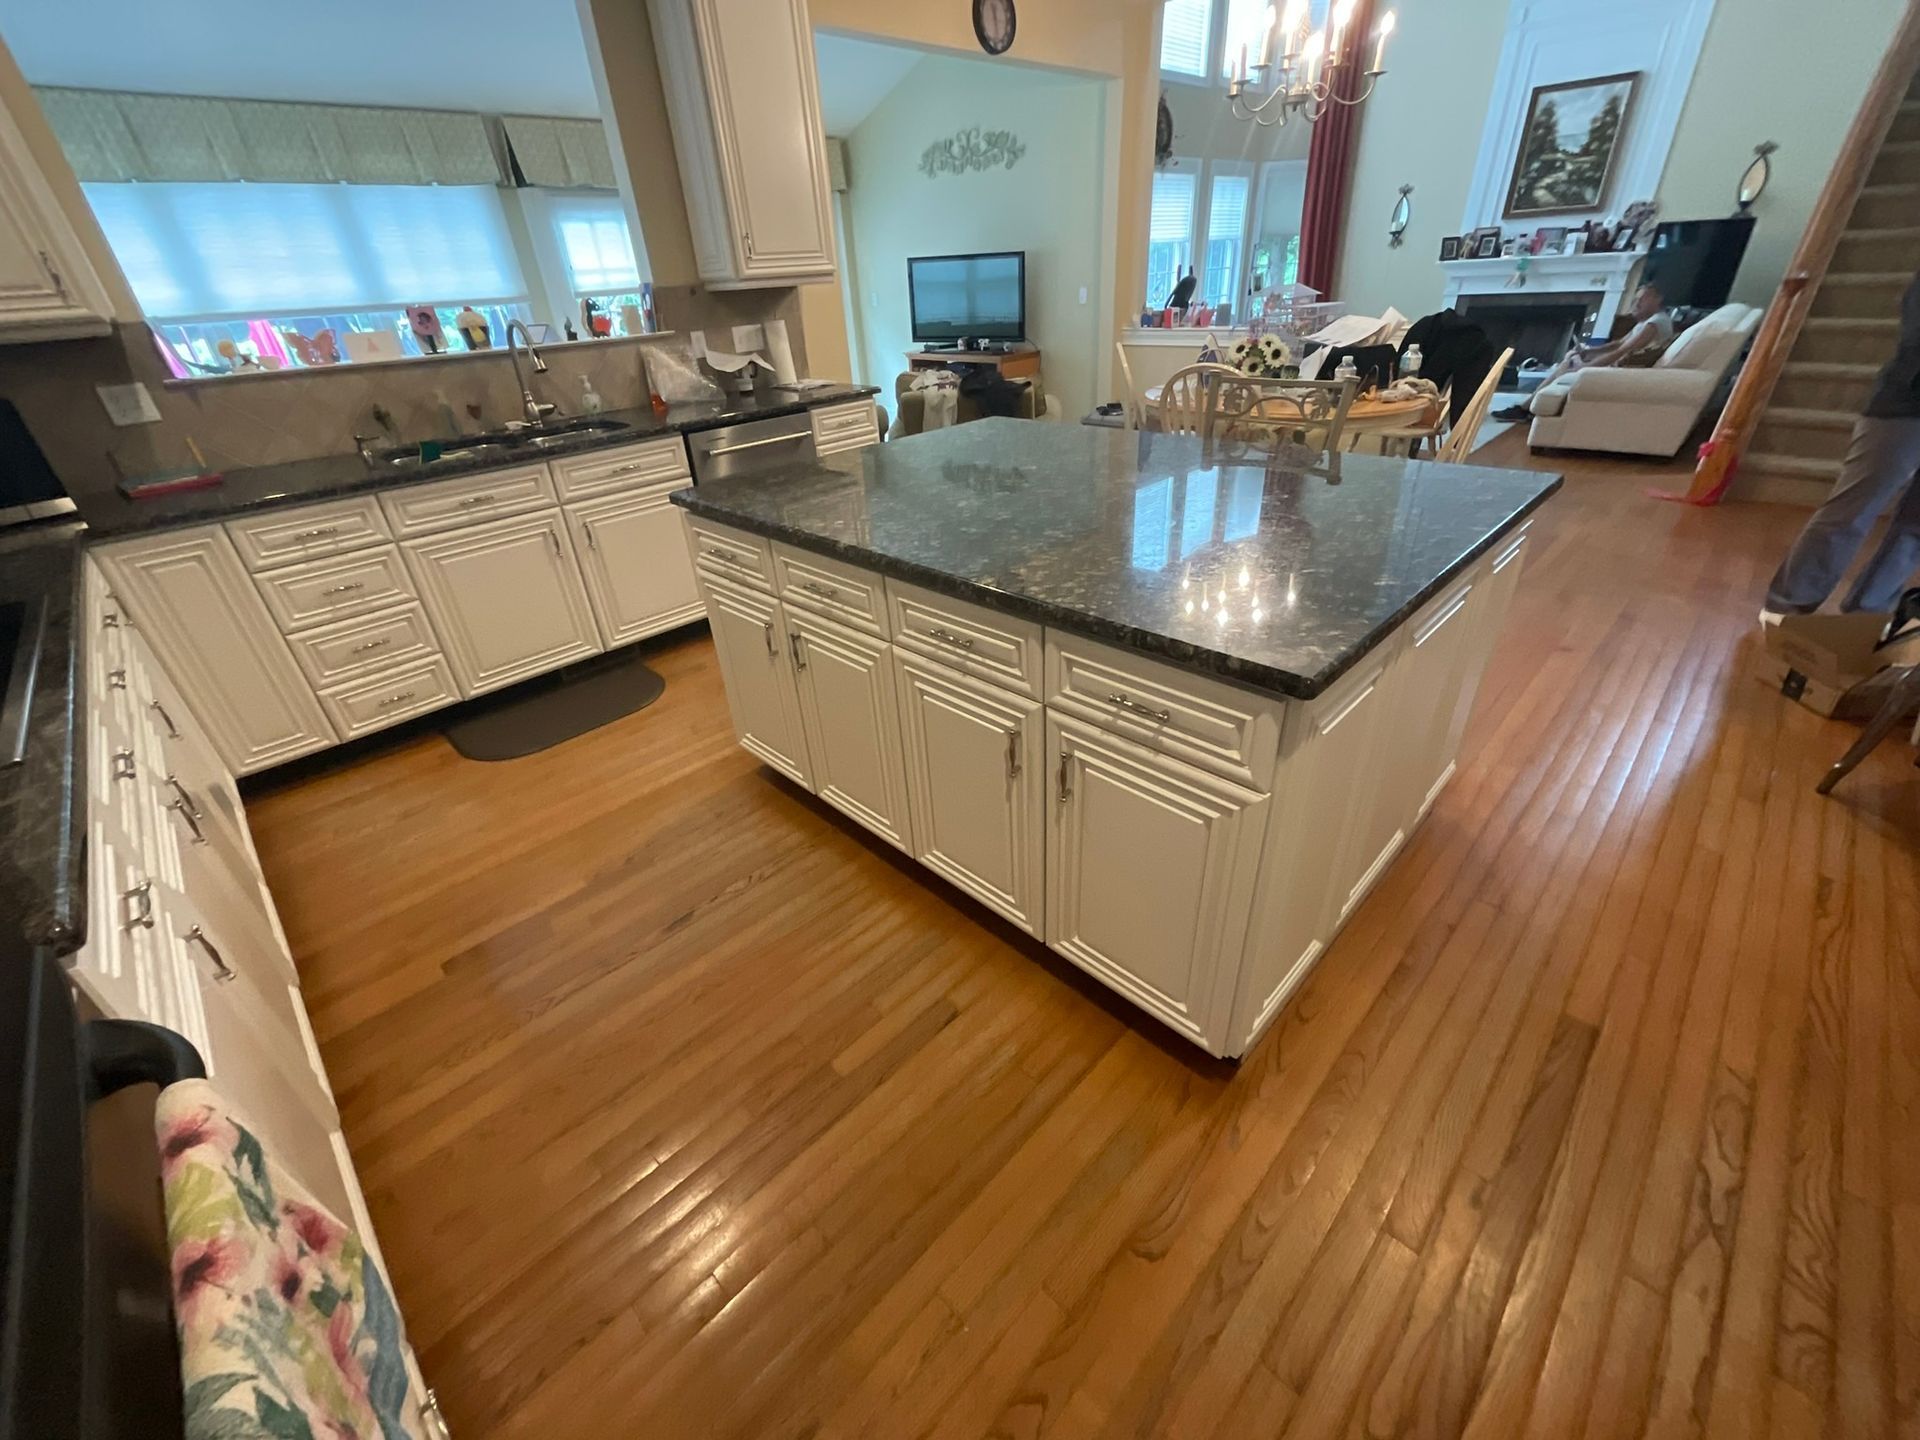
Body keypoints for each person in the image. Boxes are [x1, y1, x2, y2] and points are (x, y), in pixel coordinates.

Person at [1761, 267, 1920, 619]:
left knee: (1916, 526)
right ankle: (1787, 607)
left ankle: (1868, 613)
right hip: (1906, 405)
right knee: (1851, 510)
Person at [1493, 281, 1673, 422]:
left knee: (1569, 361)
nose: (1636, 303)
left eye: (1642, 298)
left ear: (1658, 299)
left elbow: (1623, 351)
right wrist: (1590, 351)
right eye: (1635, 299)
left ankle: (1526, 408)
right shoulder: (1648, 322)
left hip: (1623, 372)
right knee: (1572, 357)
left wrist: (1586, 367)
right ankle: (1528, 406)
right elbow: (1618, 344)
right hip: (1621, 368)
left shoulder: (1655, 323)